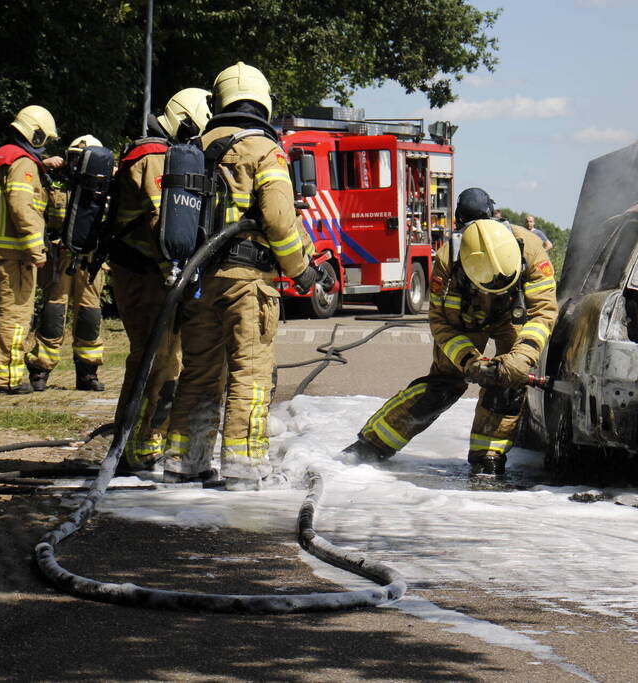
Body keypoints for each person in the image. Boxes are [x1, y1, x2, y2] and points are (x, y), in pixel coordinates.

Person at [161, 62, 328, 485]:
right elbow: (276, 220)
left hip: (199, 281)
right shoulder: (262, 149)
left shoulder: (197, 145)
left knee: (198, 371)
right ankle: (244, 466)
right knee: (249, 372)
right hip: (247, 281)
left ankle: (184, 461)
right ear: (261, 99)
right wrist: (302, 271)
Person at [343, 196, 558, 476]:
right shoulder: (448, 260)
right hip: (466, 322)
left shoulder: (530, 249)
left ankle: (488, 457)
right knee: (443, 386)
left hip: (511, 318)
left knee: (508, 382)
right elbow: (441, 322)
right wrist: (468, 360)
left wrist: (522, 357)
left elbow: (543, 311)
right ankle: (371, 445)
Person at [108, 88, 212, 472]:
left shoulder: (154, 151)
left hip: (145, 272)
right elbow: (159, 219)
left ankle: (134, 442)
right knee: (157, 360)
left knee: (161, 357)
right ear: (184, 120)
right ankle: (138, 447)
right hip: (143, 273)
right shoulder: (153, 155)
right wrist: (175, 268)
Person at [0, 105, 62, 395]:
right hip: (14, 256)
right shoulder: (22, 163)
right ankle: (7, 379)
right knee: (14, 316)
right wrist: (36, 249)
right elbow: (22, 207)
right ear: (36, 134)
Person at [25, 134, 108, 392]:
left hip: (91, 260)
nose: (77, 164)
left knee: (89, 314)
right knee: (53, 313)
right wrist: (43, 165)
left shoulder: (106, 189)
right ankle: (40, 370)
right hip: (59, 256)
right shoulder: (53, 184)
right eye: (73, 157)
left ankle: (87, 372)